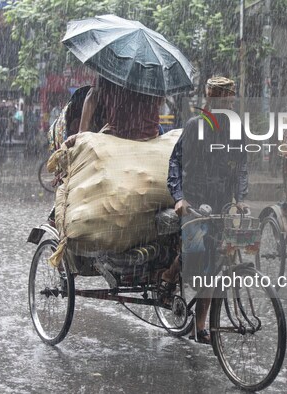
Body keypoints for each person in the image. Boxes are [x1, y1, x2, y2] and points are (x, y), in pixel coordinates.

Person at [159, 76, 249, 344]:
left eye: (231, 100)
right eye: (223, 100)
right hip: (195, 202)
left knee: (215, 266)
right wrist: (178, 198)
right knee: (195, 251)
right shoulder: (195, 126)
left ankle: (200, 327)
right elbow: (175, 162)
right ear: (211, 100)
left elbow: (242, 166)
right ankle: (169, 274)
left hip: (220, 203)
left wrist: (241, 198)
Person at [76, 77, 163, 141]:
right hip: (151, 134)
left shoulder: (110, 66)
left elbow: (92, 95)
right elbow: (161, 101)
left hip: (117, 134)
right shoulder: (153, 70)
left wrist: (81, 131)